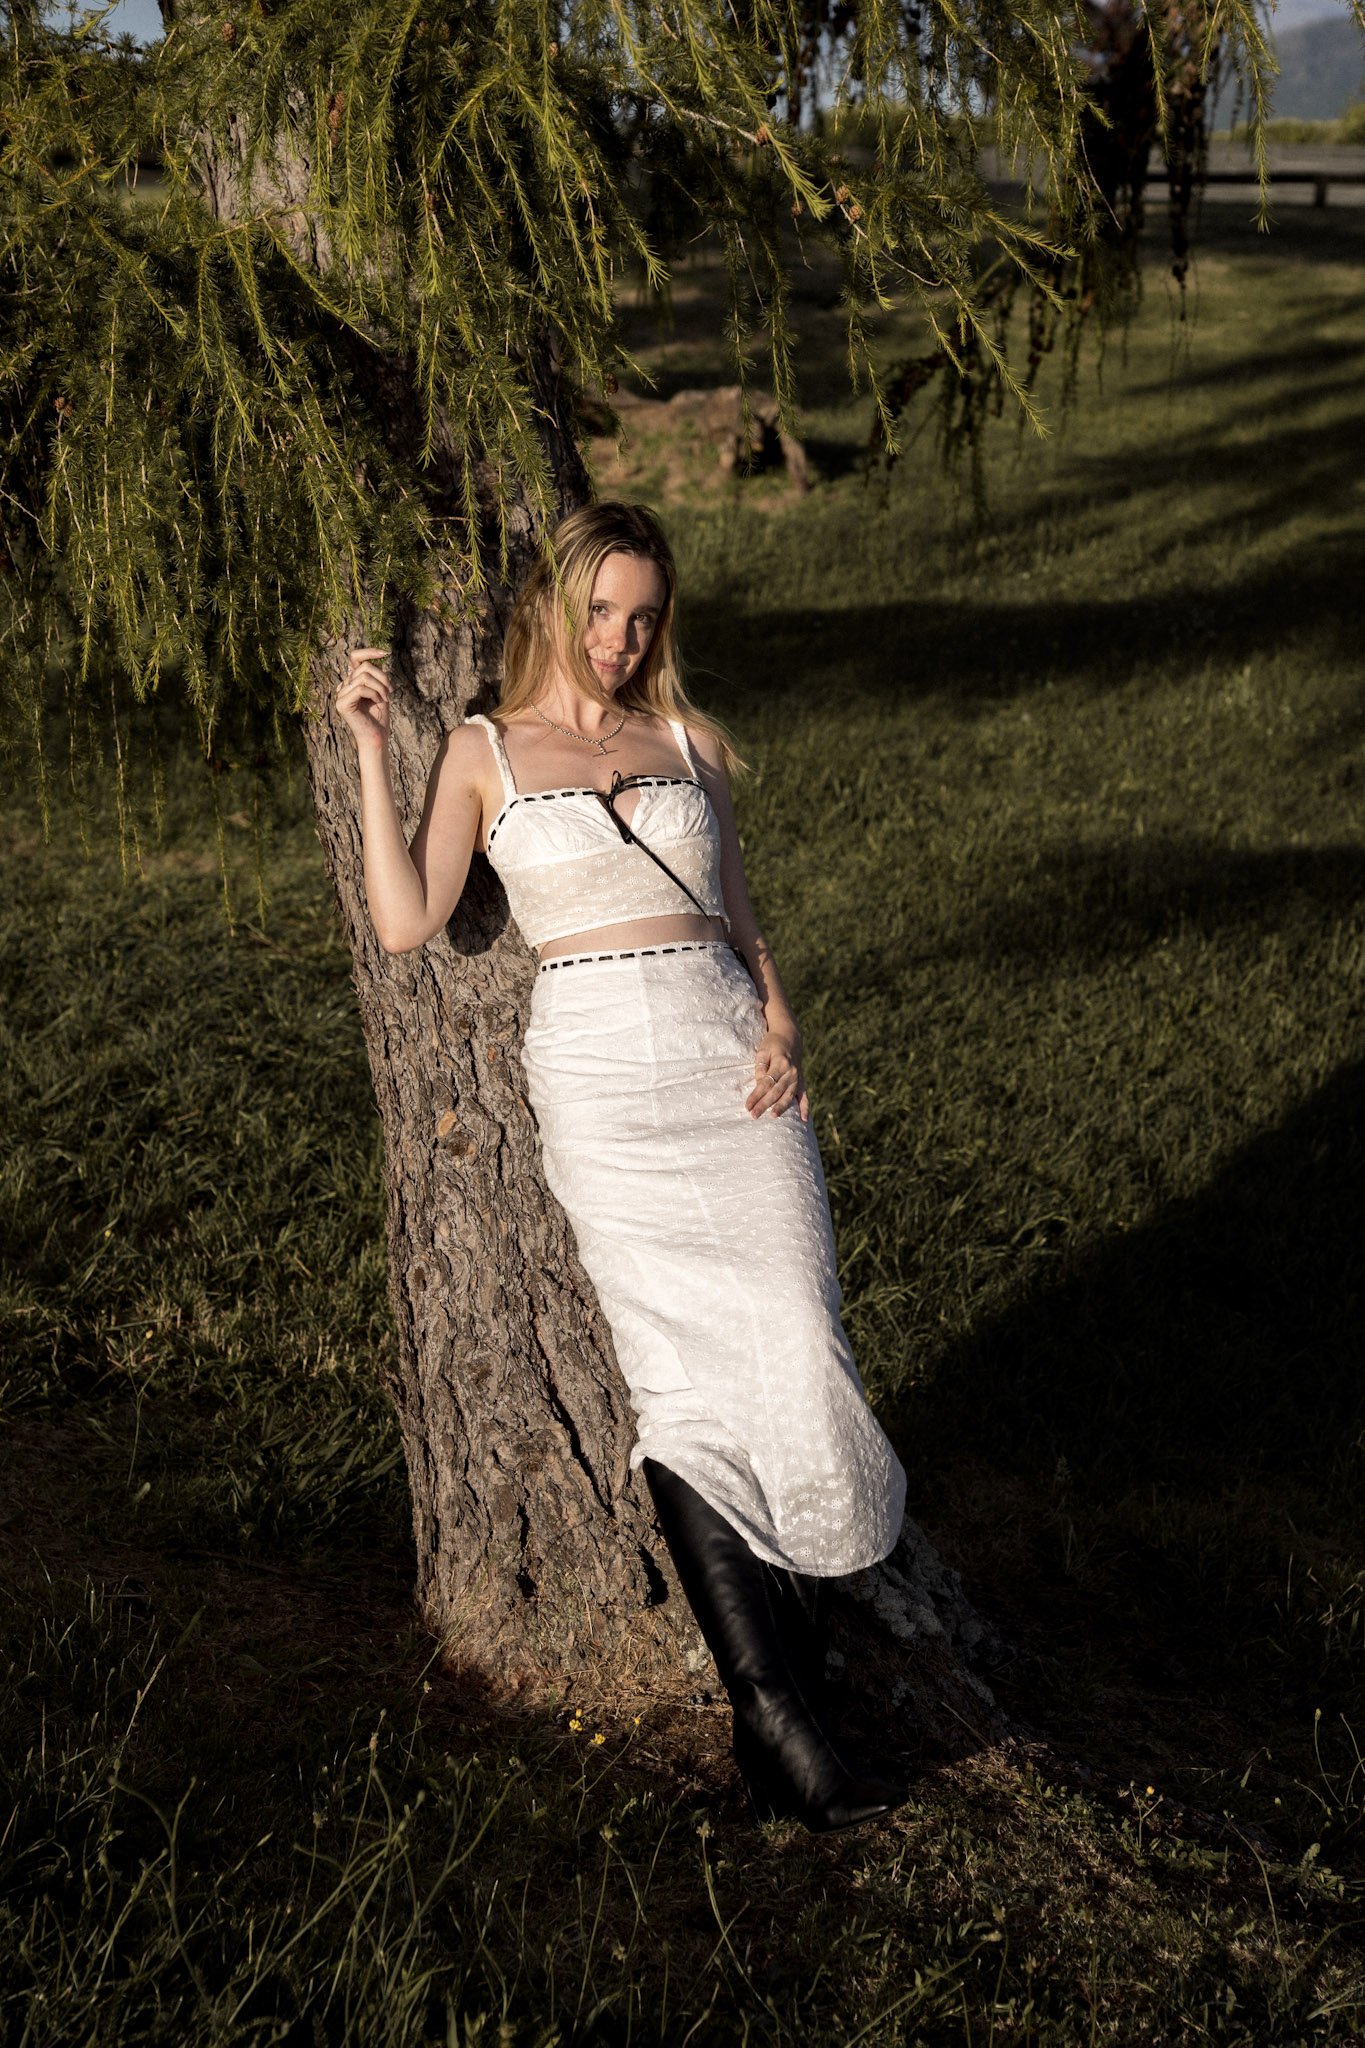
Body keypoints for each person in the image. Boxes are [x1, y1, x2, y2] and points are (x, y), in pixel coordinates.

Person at [337, 499, 908, 1832]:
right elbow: (408, 920)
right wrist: (369, 748)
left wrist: (778, 1016)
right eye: (600, 609)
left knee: (794, 1344)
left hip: (727, 1068)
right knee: (674, 1385)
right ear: (556, 605)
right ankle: (770, 1709)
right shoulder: (481, 753)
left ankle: (799, 1676)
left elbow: (737, 915)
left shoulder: (686, 743)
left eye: (643, 615)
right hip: (595, 1072)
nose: (620, 636)